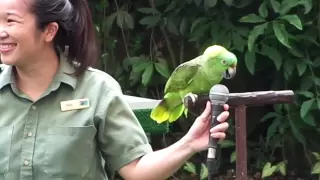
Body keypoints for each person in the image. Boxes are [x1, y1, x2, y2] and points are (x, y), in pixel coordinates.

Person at [0, 0, 230, 180]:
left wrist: (188, 143)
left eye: (10, 21)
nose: (1, 31)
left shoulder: (97, 90)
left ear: (49, 31)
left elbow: (137, 169)